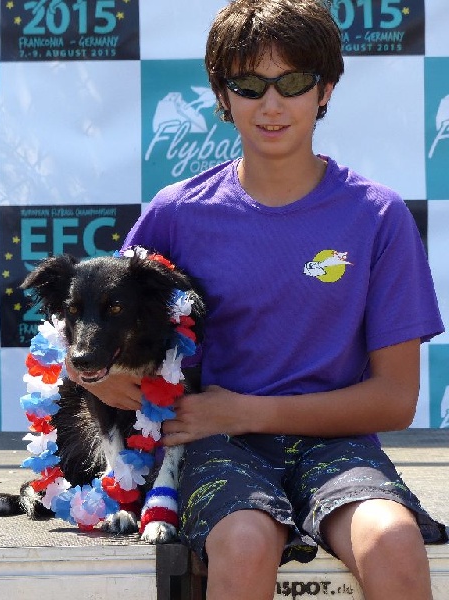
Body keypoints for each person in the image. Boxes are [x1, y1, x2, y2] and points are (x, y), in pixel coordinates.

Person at [67, 1, 448, 599]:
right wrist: (101, 379)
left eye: (292, 83)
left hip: (339, 448)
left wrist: (246, 409)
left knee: (395, 540)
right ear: (223, 97)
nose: (272, 105)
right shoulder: (177, 211)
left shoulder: (378, 216)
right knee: (243, 543)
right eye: (248, 85)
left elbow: (395, 401)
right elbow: (94, 331)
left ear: (325, 90)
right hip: (216, 447)